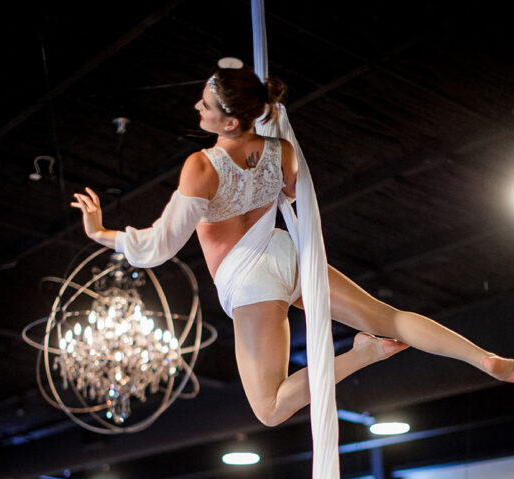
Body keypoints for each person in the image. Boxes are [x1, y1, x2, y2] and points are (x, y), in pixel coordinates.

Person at [70, 67, 514, 429]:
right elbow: (290, 192)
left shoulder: (202, 166)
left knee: (269, 408)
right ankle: (486, 358)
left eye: (204, 104)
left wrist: (102, 233)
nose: (195, 108)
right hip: (287, 253)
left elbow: (162, 243)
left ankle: (362, 356)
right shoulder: (281, 150)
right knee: (390, 316)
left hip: (249, 277)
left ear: (229, 122)